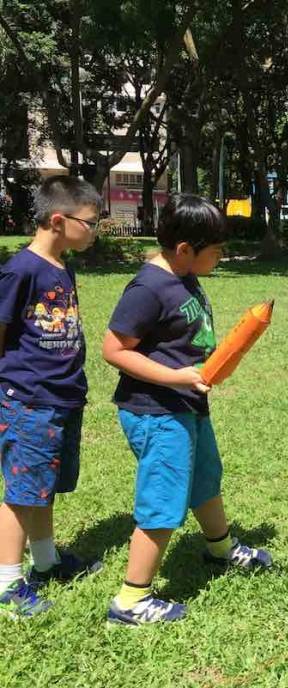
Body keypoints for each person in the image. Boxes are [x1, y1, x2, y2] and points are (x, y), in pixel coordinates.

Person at [102, 194, 271, 627]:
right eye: (215, 252)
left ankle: (220, 548)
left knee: (205, 478)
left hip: (187, 405)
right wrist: (178, 376)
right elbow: (114, 350)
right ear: (184, 250)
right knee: (162, 500)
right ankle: (131, 599)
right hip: (157, 412)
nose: (220, 258)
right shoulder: (148, 288)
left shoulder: (183, 276)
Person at [0, 176, 103, 618]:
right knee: (22, 493)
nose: (96, 230)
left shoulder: (62, 263)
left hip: (61, 396)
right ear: (59, 221)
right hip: (27, 398)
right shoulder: (21, 269)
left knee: (41, 489)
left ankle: (46, 563)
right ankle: (7, 583)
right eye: (92, 223)